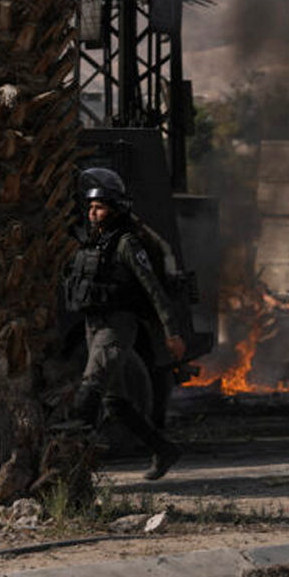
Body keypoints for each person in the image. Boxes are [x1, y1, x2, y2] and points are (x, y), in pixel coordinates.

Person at [62, 167, 184, 480]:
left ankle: (72, 468)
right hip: (94, 324)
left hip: (117, 326)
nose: (92, 213)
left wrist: (172, 332)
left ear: (115, 210)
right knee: (114, 402)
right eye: (90, 208)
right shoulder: (95, 242)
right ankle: (163, 449)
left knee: (89, 391)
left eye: (99, 207)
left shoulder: (128, 244)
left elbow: (154, 290)